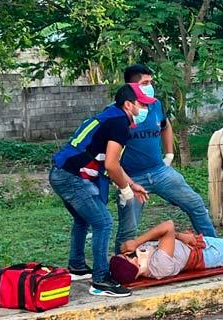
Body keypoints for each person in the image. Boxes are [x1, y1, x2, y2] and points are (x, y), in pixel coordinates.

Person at [49, 83, 154, 297]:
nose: (145, 109)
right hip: (71, 177)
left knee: (83, 220)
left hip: (62, 173)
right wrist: (125, 190)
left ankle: (77, 265)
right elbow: (112, 165)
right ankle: (100, 280)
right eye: (142, 104)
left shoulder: (111, 117)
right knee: (103, 222)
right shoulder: (119, 124)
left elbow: (110, 161)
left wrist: (132, 185)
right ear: (128, 105)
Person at [114, 64, 217, 253]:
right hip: (132, 178)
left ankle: (215, 247)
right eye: (145, 83)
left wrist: (169, 155)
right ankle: (122, 264)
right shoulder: (119, 111)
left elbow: (165, 126)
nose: (150, 86)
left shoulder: (155, 105)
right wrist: (121, 182)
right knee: (128, 228)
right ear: (131, 85)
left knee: (195, 204)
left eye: (150, 82)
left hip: (160, 171)